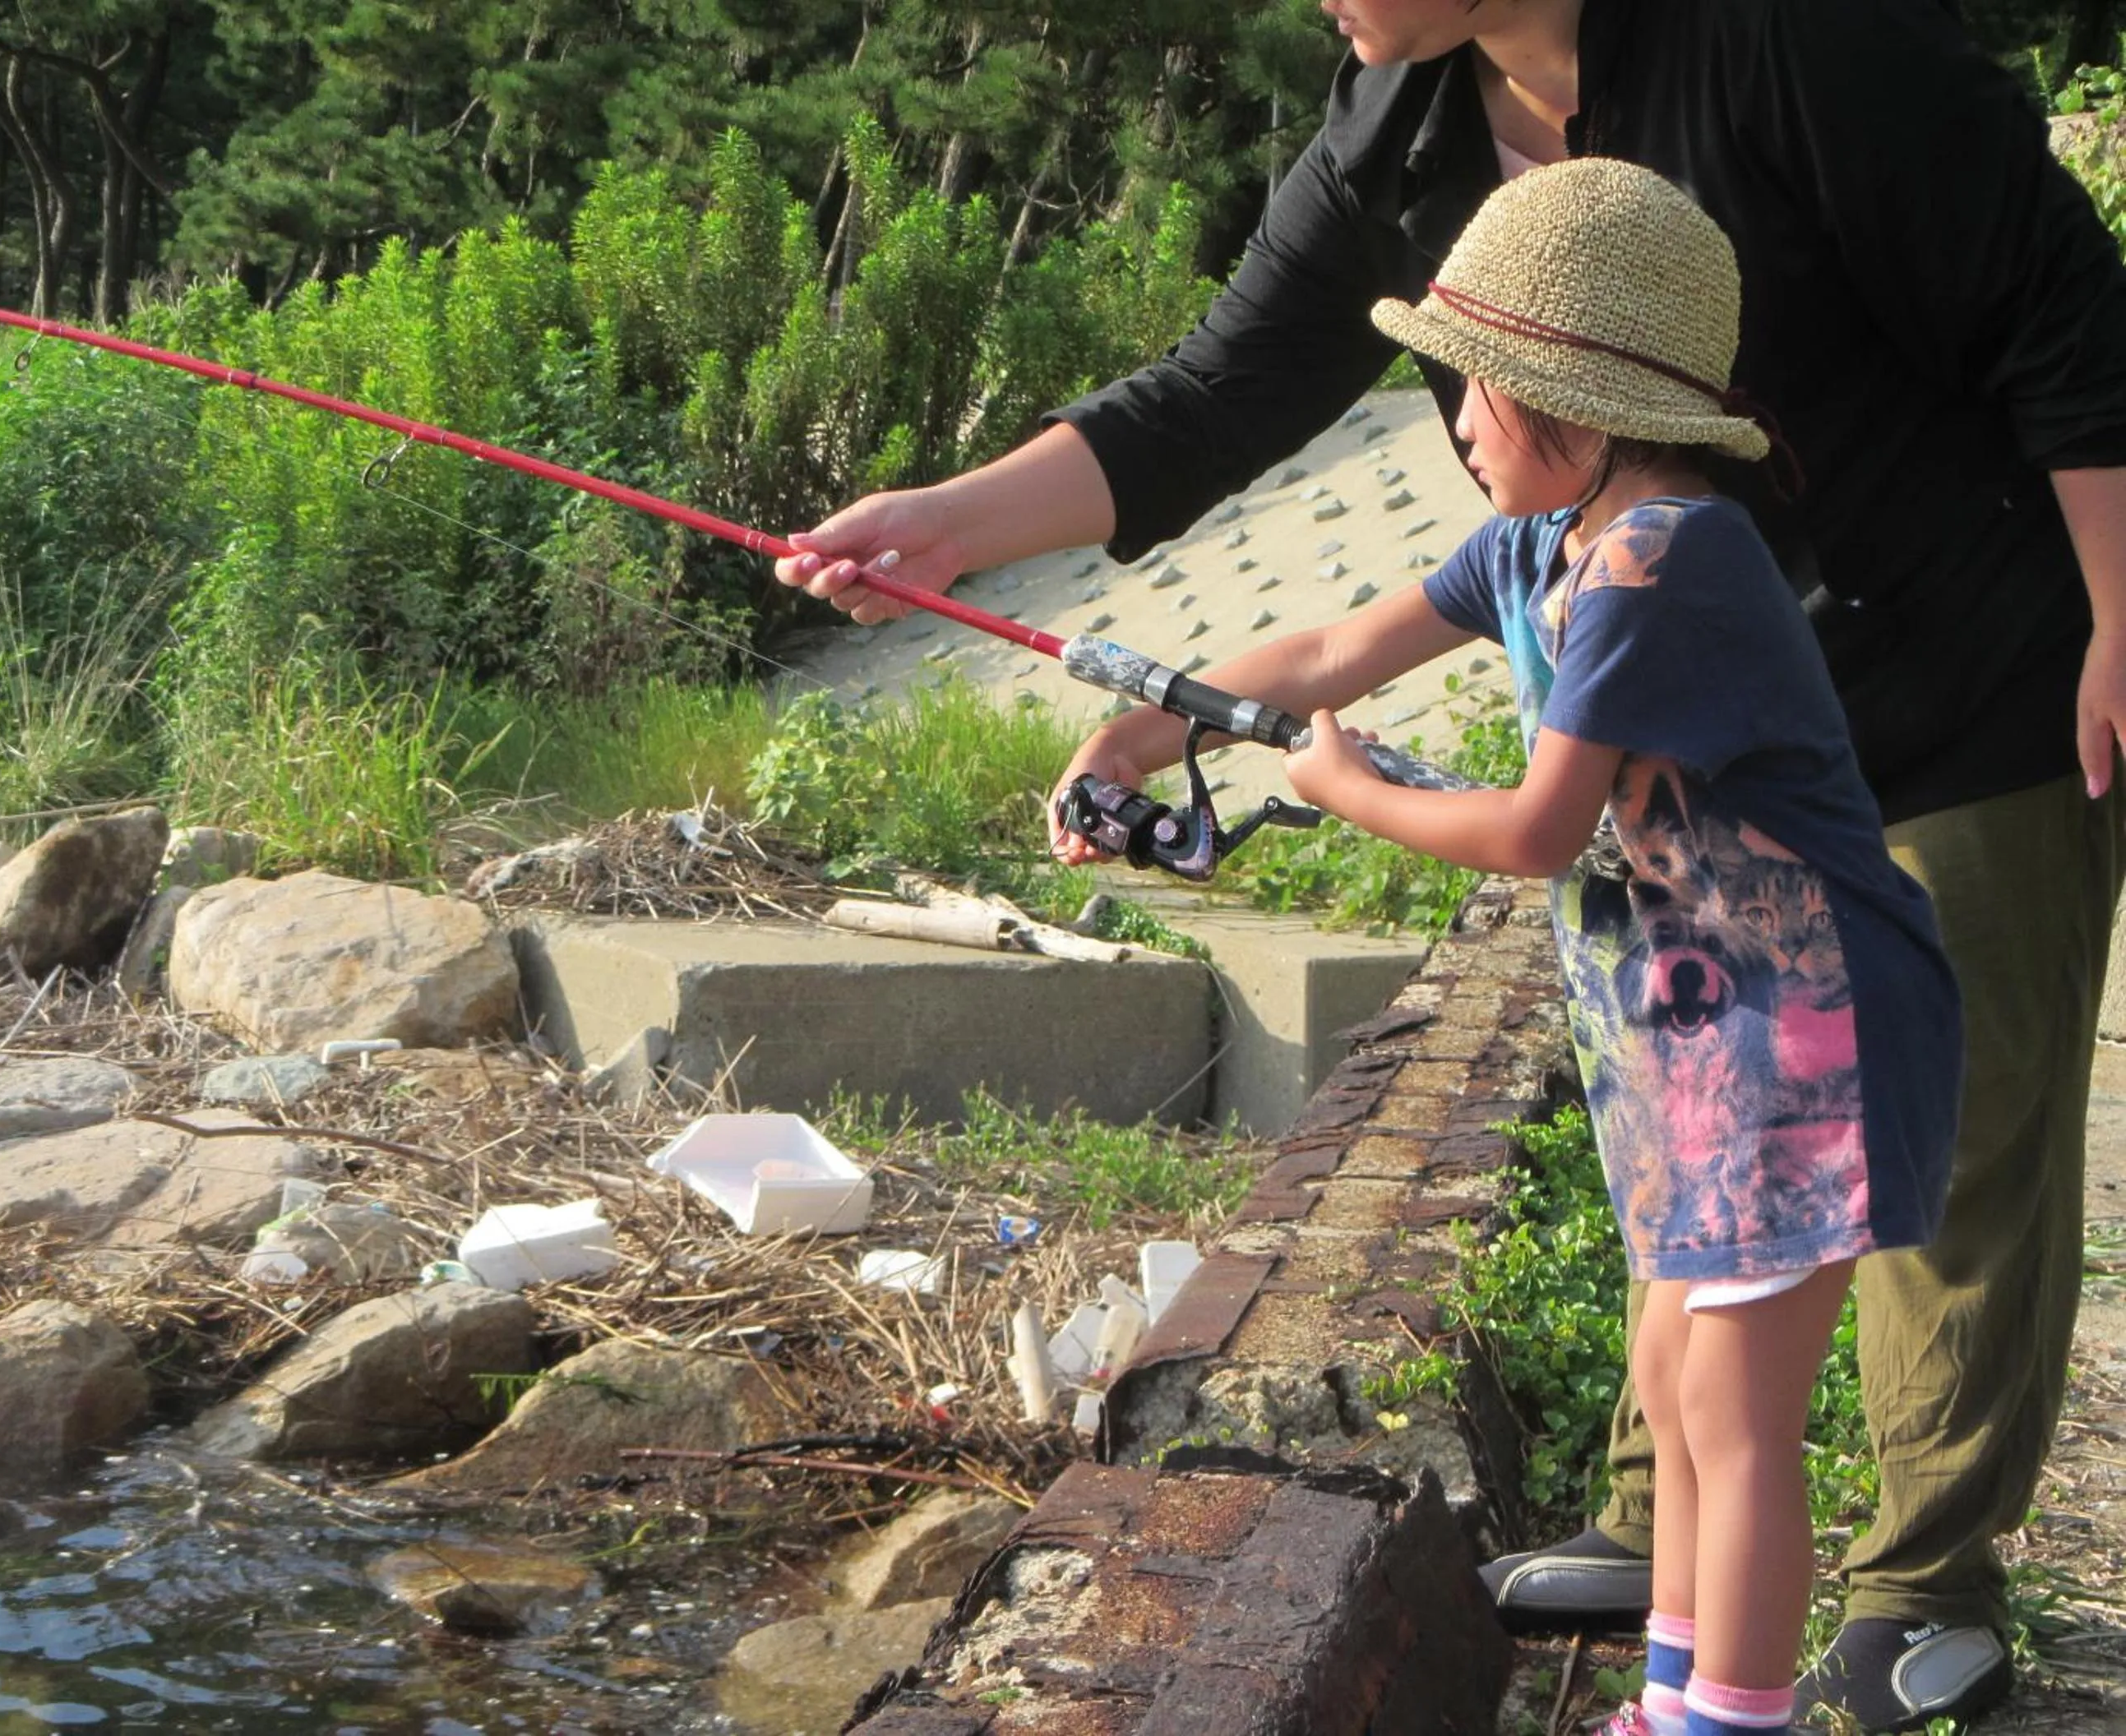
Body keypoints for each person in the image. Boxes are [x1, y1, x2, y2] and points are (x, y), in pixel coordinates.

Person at [774, 3, 2126, 1726]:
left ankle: (1914, 1586)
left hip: (1963, 669)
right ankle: (1674, 1560)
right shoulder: (1403, 137)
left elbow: (2065, 312)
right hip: (1701, 855)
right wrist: (978, 555)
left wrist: (2117, 622)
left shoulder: (1786, 54)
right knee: (1693, 1252)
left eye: (1472, 384)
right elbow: (1229, 418)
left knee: (1947, 1160)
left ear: (1566, 392)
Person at [1053, 152, 1961, 1736]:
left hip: (1806, 1031)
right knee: (1680, 1377)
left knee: (1737, 1410)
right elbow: (1337, 645)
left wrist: (1344, 787)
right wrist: (1138, 737)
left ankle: (1723, 1722)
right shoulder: (1543, 543)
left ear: (1585, 407)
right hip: (1700, 1028)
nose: (1458, 423)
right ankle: (1676, 1700)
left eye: (1477, 391)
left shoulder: (1668, 561)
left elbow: (1539, 828)